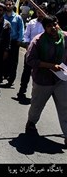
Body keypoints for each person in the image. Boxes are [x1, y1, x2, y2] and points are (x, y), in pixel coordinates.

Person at [24, 15, 67, 148]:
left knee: (65, 107)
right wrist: (50, 66)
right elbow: (30, 60)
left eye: (55, 24)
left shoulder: (65, 37)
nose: (53, 28)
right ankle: (31, 123)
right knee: (37, 106)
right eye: (49, 26)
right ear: (44, 28)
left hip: (61, 79)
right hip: (43, 80)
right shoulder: (38, 41)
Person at [16, 5, 47, 102]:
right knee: (26, 72)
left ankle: (36, 94)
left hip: (43, 54)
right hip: (31, 51)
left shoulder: (49, 24)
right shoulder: (31, 23)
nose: (40, 14)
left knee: (38, 74)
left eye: (42, 12)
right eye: (38, 12)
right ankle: (22, 91)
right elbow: (26, 35)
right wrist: (27, 44)